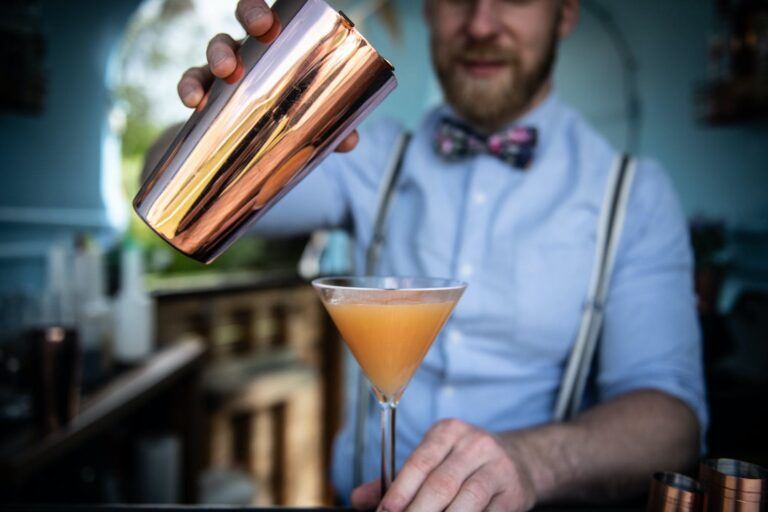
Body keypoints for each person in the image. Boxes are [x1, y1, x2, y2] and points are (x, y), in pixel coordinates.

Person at [176, 0, 706, 510]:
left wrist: (531, 462)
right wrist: (224, 109)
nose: (481, 23)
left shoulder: (633, 195)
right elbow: (191, 208)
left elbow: (672, 424)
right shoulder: (363, 153)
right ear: (429, 9)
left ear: (564, 12)